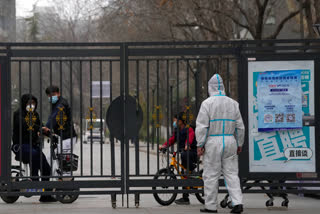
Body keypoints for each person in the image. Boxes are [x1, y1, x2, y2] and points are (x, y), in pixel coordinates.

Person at [195, 74, 245, 213]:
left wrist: (200, 144)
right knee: (232, 173)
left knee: (211, 175)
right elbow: (240, 127)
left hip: (212, 142)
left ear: (210, 88)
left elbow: (202, 126)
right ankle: (237, 203)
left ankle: (210, 206)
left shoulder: (207, 104)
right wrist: (239, 143)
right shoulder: (233, 103)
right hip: (230, 141)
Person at [12, 94, 56, 202]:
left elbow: (40, 126)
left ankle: (46, 195)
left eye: (33, 103)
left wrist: (48, 132)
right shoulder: (18, 114)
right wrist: (39, 127)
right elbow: (24, 125)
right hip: (21, 146)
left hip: (33, 146)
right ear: (24, 104)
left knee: (46, 168)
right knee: (34, 154)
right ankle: (34, 179)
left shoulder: (35, 114)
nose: (31, 105)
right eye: (28, 103)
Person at [159, 112, 198, 205]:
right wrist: (164, 145)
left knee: (185, 170)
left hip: (191, 152)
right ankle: (185, 198)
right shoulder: (177, 130)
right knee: (183, 173)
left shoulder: (189, 129)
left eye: (175, 120)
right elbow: (172, 139)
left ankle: (193, 172)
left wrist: (187, 144)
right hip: (183, 152)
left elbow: (191, 136)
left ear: (181, 121)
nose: (174, 122)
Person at [42, 86, 77, 175]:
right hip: (61, 137)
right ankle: (48, 179)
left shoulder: (61, 104)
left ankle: (65, 181)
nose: (51, 97)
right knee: (50, 158)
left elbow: (54, 117)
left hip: (67, 137)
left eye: (53, 94)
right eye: (49, 95)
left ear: (59, 94)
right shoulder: (56, 104)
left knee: (64, 161)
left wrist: (46, 127)